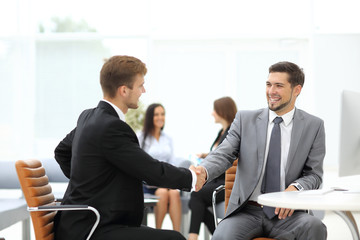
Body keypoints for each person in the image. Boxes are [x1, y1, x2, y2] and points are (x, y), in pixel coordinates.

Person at [53, 55, 203, 240]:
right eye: (140, 85)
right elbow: (151, 170)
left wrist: (91, 184)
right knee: (175, 239)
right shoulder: (111, 127)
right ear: (124, 90)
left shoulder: (89, 117)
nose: (143, 90)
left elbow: (61, 152)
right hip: (91, 229)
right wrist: (192, 177)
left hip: (84, 224)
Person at [195, 61, 327, 240]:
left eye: (278, 86)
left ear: (297, 90)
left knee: (315, 227)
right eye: (268, 84)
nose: (271, 91)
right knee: (221, 236)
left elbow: (314, 174)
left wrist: (295, 188)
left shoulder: (314, 126)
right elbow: (223, 153)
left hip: (288, 214)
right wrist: (204, 169)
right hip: (247, 211)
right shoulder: (245, 119)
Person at [187, 97, 237, 240]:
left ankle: (192, 238)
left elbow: (229, 155)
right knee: (195, 201)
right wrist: (205, 155)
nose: (212, 113)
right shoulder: (222, 132)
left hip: (225, 183)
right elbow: (221, 153)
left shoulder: (231, 132)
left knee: (196, 194)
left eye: (215, 110)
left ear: (222, 111)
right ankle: (220, 235)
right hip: (216, 181)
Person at [138, 103, 182, 231]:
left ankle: (177, 234)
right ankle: (159, 233)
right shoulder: (141, 138)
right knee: (162, 193)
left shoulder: (168, 138)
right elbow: (140, 165)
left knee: (174, 193)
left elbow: (172, 162)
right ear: (150, 117)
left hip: (166, 181)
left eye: (162, 114)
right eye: (156, 114)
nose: (160, 117)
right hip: (148, 184)